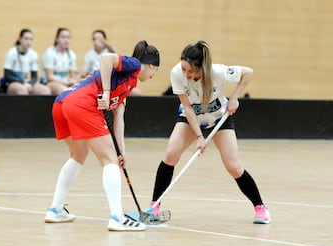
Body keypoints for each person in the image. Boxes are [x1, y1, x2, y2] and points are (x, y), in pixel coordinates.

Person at [147, 41, 271, 224]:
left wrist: (235, 96)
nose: (186, 74)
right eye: (184, 69)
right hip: (191, 119)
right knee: (170, 154)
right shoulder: (177, 74)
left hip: (219, 120)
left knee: (234, 167)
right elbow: (187, 108)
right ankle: (154, 206)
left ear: (202, 68)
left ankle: (261, 208)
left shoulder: (218, 72)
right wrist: (199, 136)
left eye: (191, 71)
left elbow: (248, 72)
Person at [44, 40, 160, 231]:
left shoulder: (128, 85)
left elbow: (118, 117)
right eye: (155, 70)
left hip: (63, 104)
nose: (154, 75)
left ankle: (55, 209)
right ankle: (117, 217)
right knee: (109, 161)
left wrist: (121, 151)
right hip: (81, 103)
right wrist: (106, 92)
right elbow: (106, 58)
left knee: (79, 155)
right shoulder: (135, 65)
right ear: (150, 65)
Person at [82, 29, 142, 96]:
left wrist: (107, 45)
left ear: (105, 40)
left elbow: (119, 61)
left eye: (99, 39)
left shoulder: (110, 51)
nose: (97, 41)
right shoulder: (89, 55)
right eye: (95, 39)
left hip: (114, 81)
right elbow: (85, 73)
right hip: (97, 82)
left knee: (137, 93)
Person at [3, 29, 51, 95]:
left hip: (26, 82)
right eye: (26, 39)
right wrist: (23, 83)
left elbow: (34, 76)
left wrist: (30, 84)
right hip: (12, 83)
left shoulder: (33, 54)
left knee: (45, 90)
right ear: (20, 39)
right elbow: (7, 75)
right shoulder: (11, 53)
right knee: (22, 90)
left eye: (31, 39)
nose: (29, 42)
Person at [41, 28, 81, 95]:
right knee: (64, 90)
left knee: (80, 89)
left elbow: (72, 76)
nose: (66, 40)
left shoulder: (71, 55)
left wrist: (73, 80)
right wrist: (65, 83)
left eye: (68, 37)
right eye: (63, 37)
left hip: (65, 82)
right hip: (48, 83)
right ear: (57, 39)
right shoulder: (50, 53)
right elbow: (49, 76)